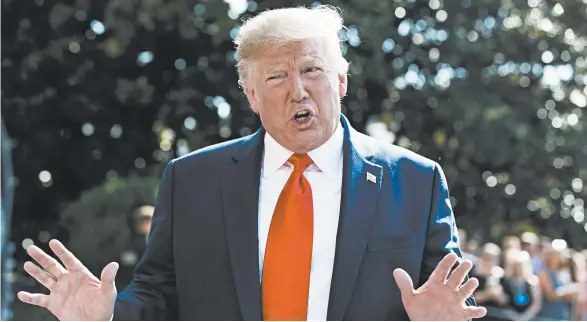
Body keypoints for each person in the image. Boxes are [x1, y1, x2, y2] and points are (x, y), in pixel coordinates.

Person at [17, 5, 486, 321]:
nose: (298, 91)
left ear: (340, 81)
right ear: (252, 95)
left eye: (312, 71)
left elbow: (447, 298)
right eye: (278, 76)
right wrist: (110, 313)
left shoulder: (417, 181)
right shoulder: (191, 180)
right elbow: (159, 294)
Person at [536, 243, 577, 320]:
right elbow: (550, 295)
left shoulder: (561, 273)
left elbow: (567, 298)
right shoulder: (543, 273)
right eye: (554, 256)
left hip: (562, 315)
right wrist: (565, 292)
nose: (556, 259)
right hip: (547, 316)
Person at [499, 251, 542, 321]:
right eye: (515, 265)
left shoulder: (532, 282)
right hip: (509, 318)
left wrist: (524, 318)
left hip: (527, 318)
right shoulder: (504, 281)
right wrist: (514, 316)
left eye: (520, 265)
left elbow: (536, 304)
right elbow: (502, 301)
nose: (517, 268)